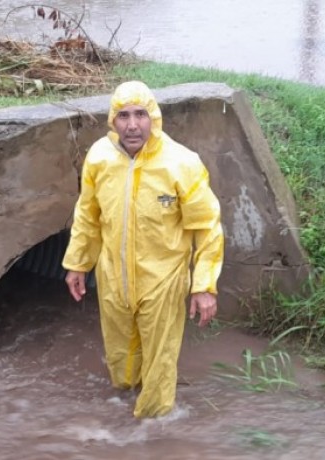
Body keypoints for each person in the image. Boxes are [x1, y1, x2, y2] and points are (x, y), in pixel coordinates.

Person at [62, 81, 224, 418]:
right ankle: (124, 404)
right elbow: (88, 215)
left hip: (163, 279)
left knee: (160, 360)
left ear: (155, 118)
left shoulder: (182, 163)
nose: (132, 125)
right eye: (123, 116)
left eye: (140, 115)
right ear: (112, 120)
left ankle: (154, 428)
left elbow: (207, 227)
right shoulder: (99, 158)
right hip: (113, 277)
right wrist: (78, 264)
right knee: (121, 359)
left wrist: (203, 285)